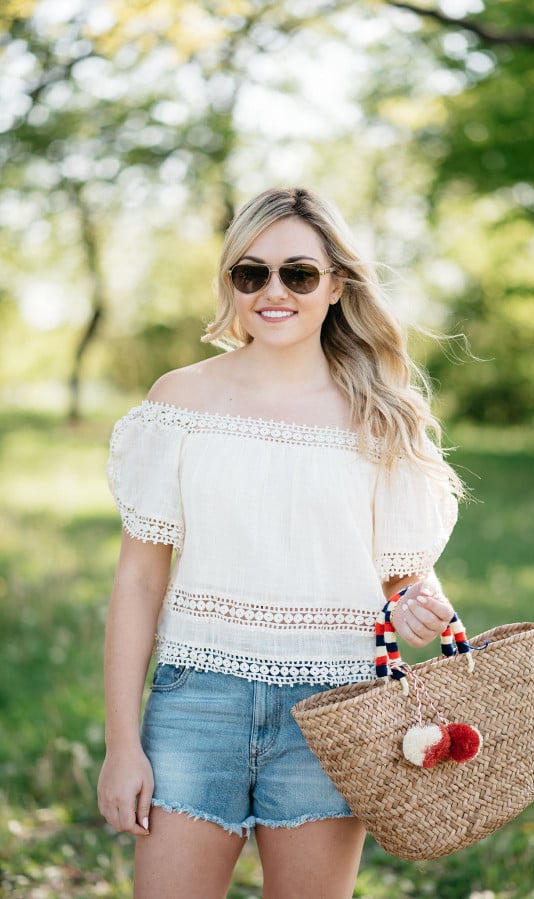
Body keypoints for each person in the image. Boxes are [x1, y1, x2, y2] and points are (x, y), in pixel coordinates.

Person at [97, 186, 462, 899]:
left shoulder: (381, 416)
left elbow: (406, 578)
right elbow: (139, 580)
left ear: (336, 285)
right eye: (250, 272)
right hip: (196, 701)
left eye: (298, 273)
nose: (273, 292)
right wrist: (121, 744)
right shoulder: (179, 403)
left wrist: (423, 606)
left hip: (337, 707)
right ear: (231, 281)